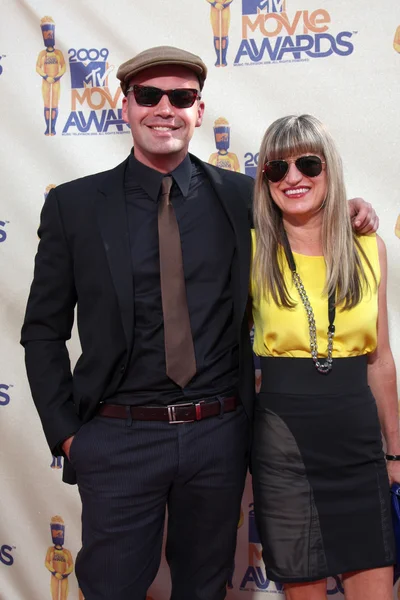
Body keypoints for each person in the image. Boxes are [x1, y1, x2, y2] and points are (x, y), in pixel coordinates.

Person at [21, 46, 377, 600]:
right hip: (117, 438)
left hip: (218, 435)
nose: (165, 108)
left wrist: (353, 210)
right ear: (126, 106)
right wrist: (70, 436)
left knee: (205, 589)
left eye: (181, 97)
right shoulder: (74, 206)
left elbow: (306, 202)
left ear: (199, 110)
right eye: (149, 95)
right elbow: (42, 330)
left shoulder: (244, 198)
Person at [250, 114, 399, 600]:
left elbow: (379, 361)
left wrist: (396, 452)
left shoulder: (368, 248)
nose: (293, 178)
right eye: (277, 169)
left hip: (359, 447)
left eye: (308, 163)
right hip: (283, 447)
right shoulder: (250, 252)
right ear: (265, 181)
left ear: (330, 169)